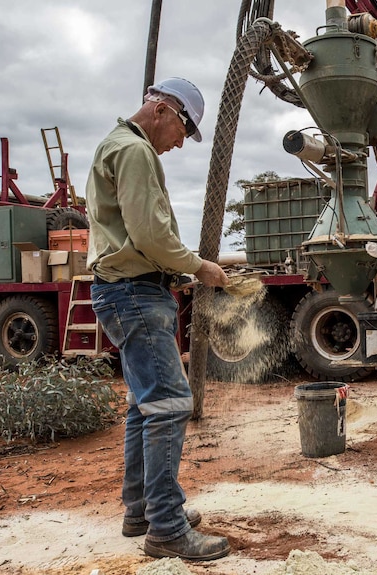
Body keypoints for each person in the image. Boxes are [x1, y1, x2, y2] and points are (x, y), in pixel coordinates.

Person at [85, 77, 231, 561]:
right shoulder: (135, 151)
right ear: (165, 110)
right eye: (182, 133)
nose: (177, 145)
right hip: (134, 294)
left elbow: (136, 232)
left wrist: (173, 269)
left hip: (121, 289)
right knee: (169, 404)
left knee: (142, 406)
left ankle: (142, 509)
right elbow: (149, 232)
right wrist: (198, 265)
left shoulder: (116, 144)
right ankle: (166, 529)